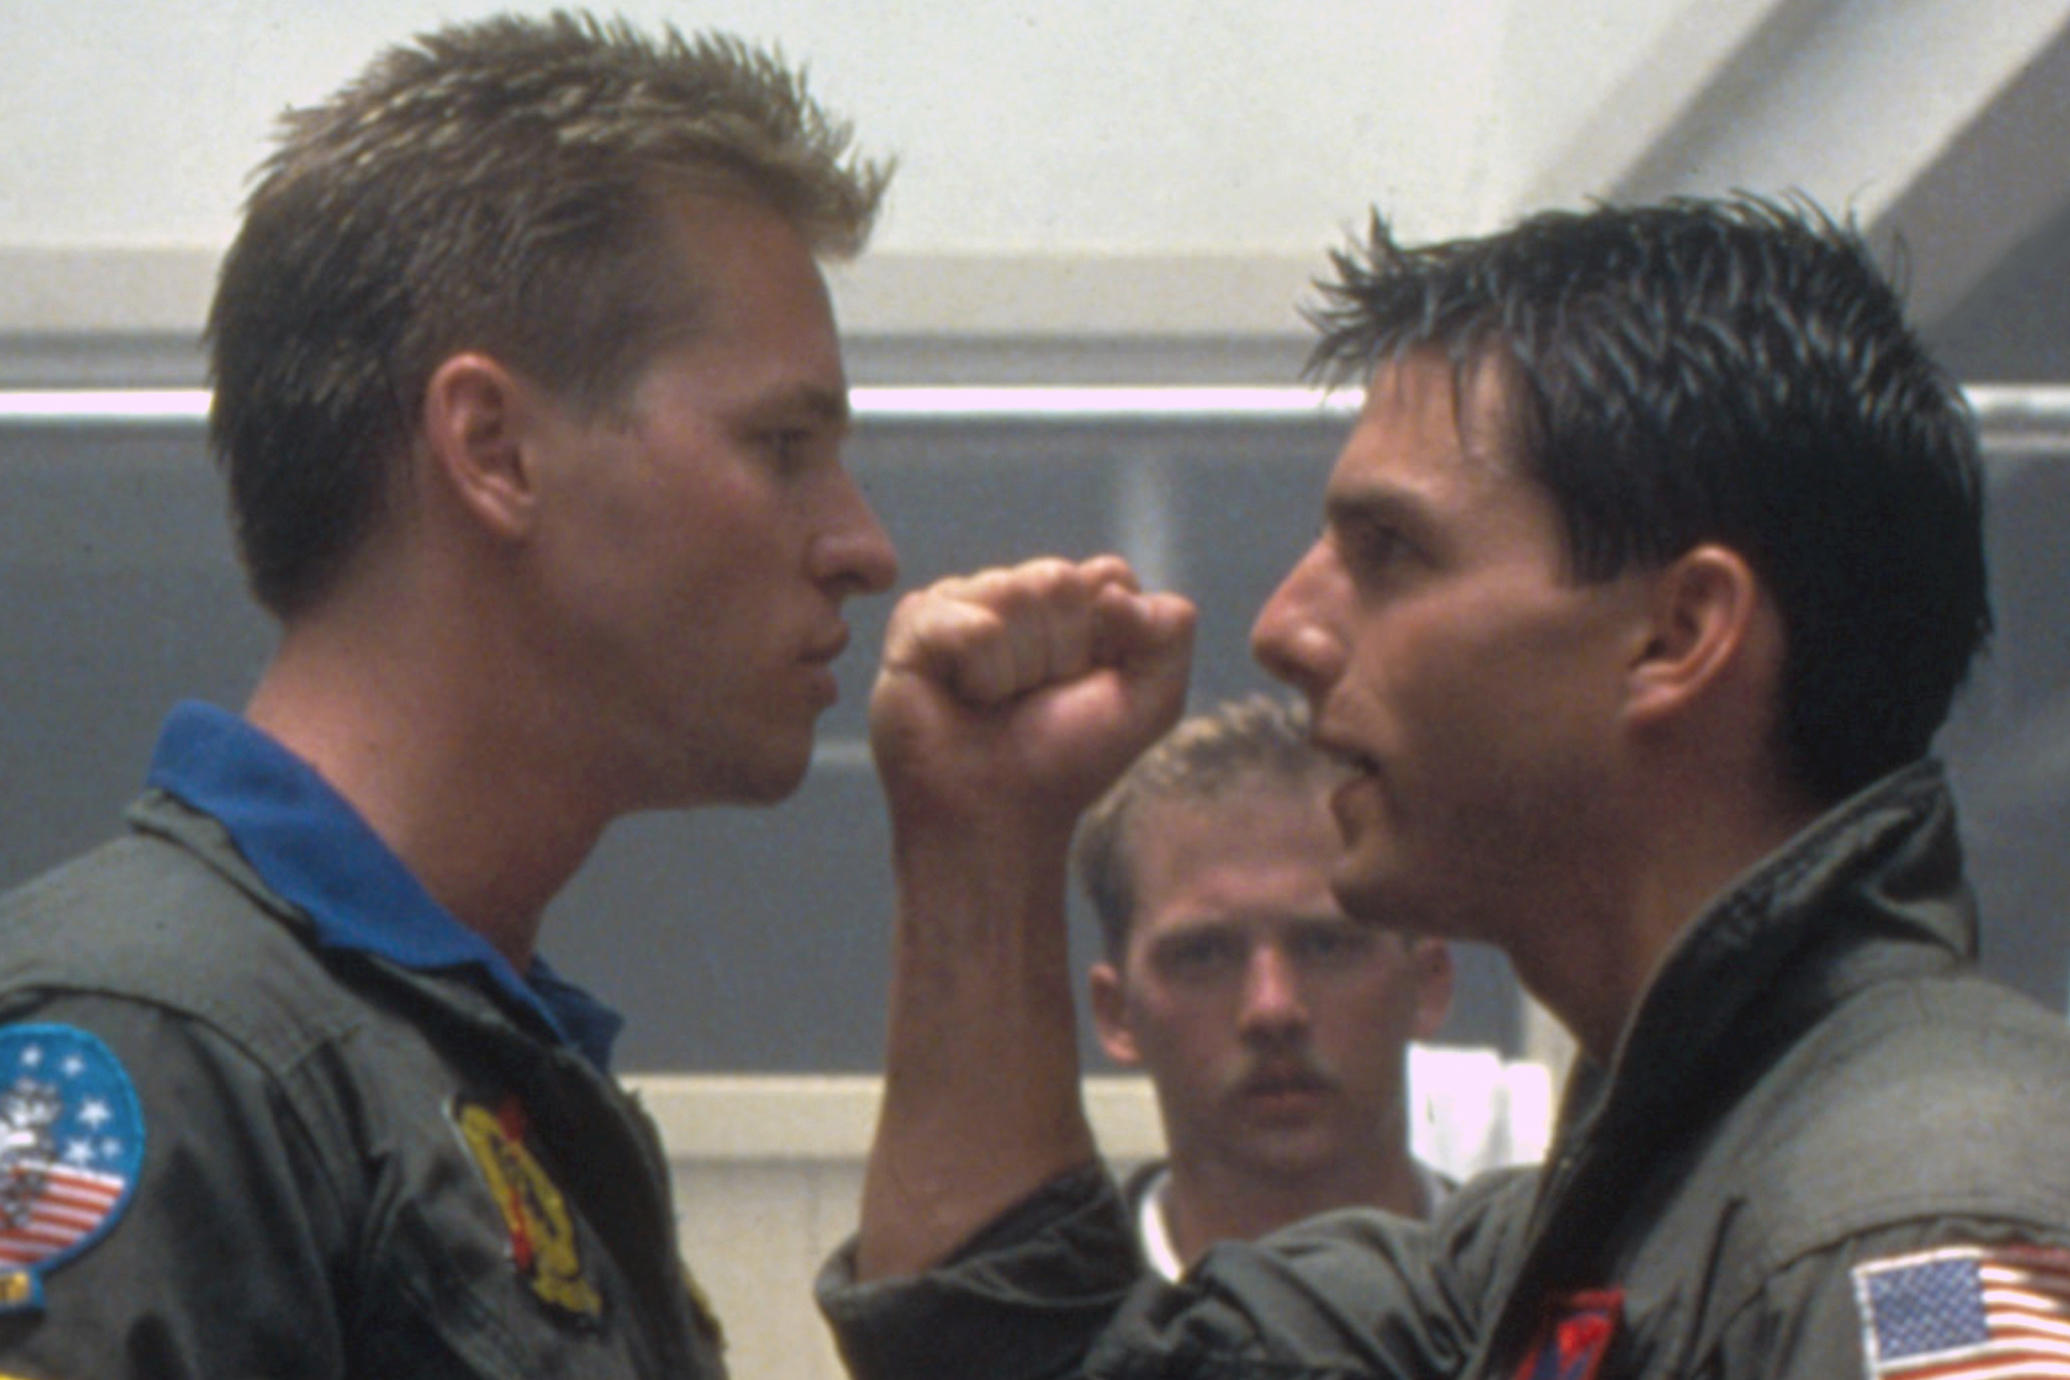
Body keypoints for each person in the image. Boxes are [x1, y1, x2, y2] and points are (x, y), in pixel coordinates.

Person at [818, 196, 2070, 1380]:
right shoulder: (1621, 1225)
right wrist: (979, 831)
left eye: (1390, 552)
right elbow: (1002, 1356)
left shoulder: (1922, 1227)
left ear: (1679, 634)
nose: (1285, 627)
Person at [0, 11, 896, 1377]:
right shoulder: (150, 1049)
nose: (862, 545)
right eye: (781, 445)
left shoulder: (463, 1067)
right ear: (494, 450)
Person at [1074, 694, 1456, 1278]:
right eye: (1203, 956)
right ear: (1117, 1014)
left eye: (1327, 947)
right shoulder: (1034, 1329)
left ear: (1427, 984)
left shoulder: (1557, 1299)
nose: (1272, 1008)